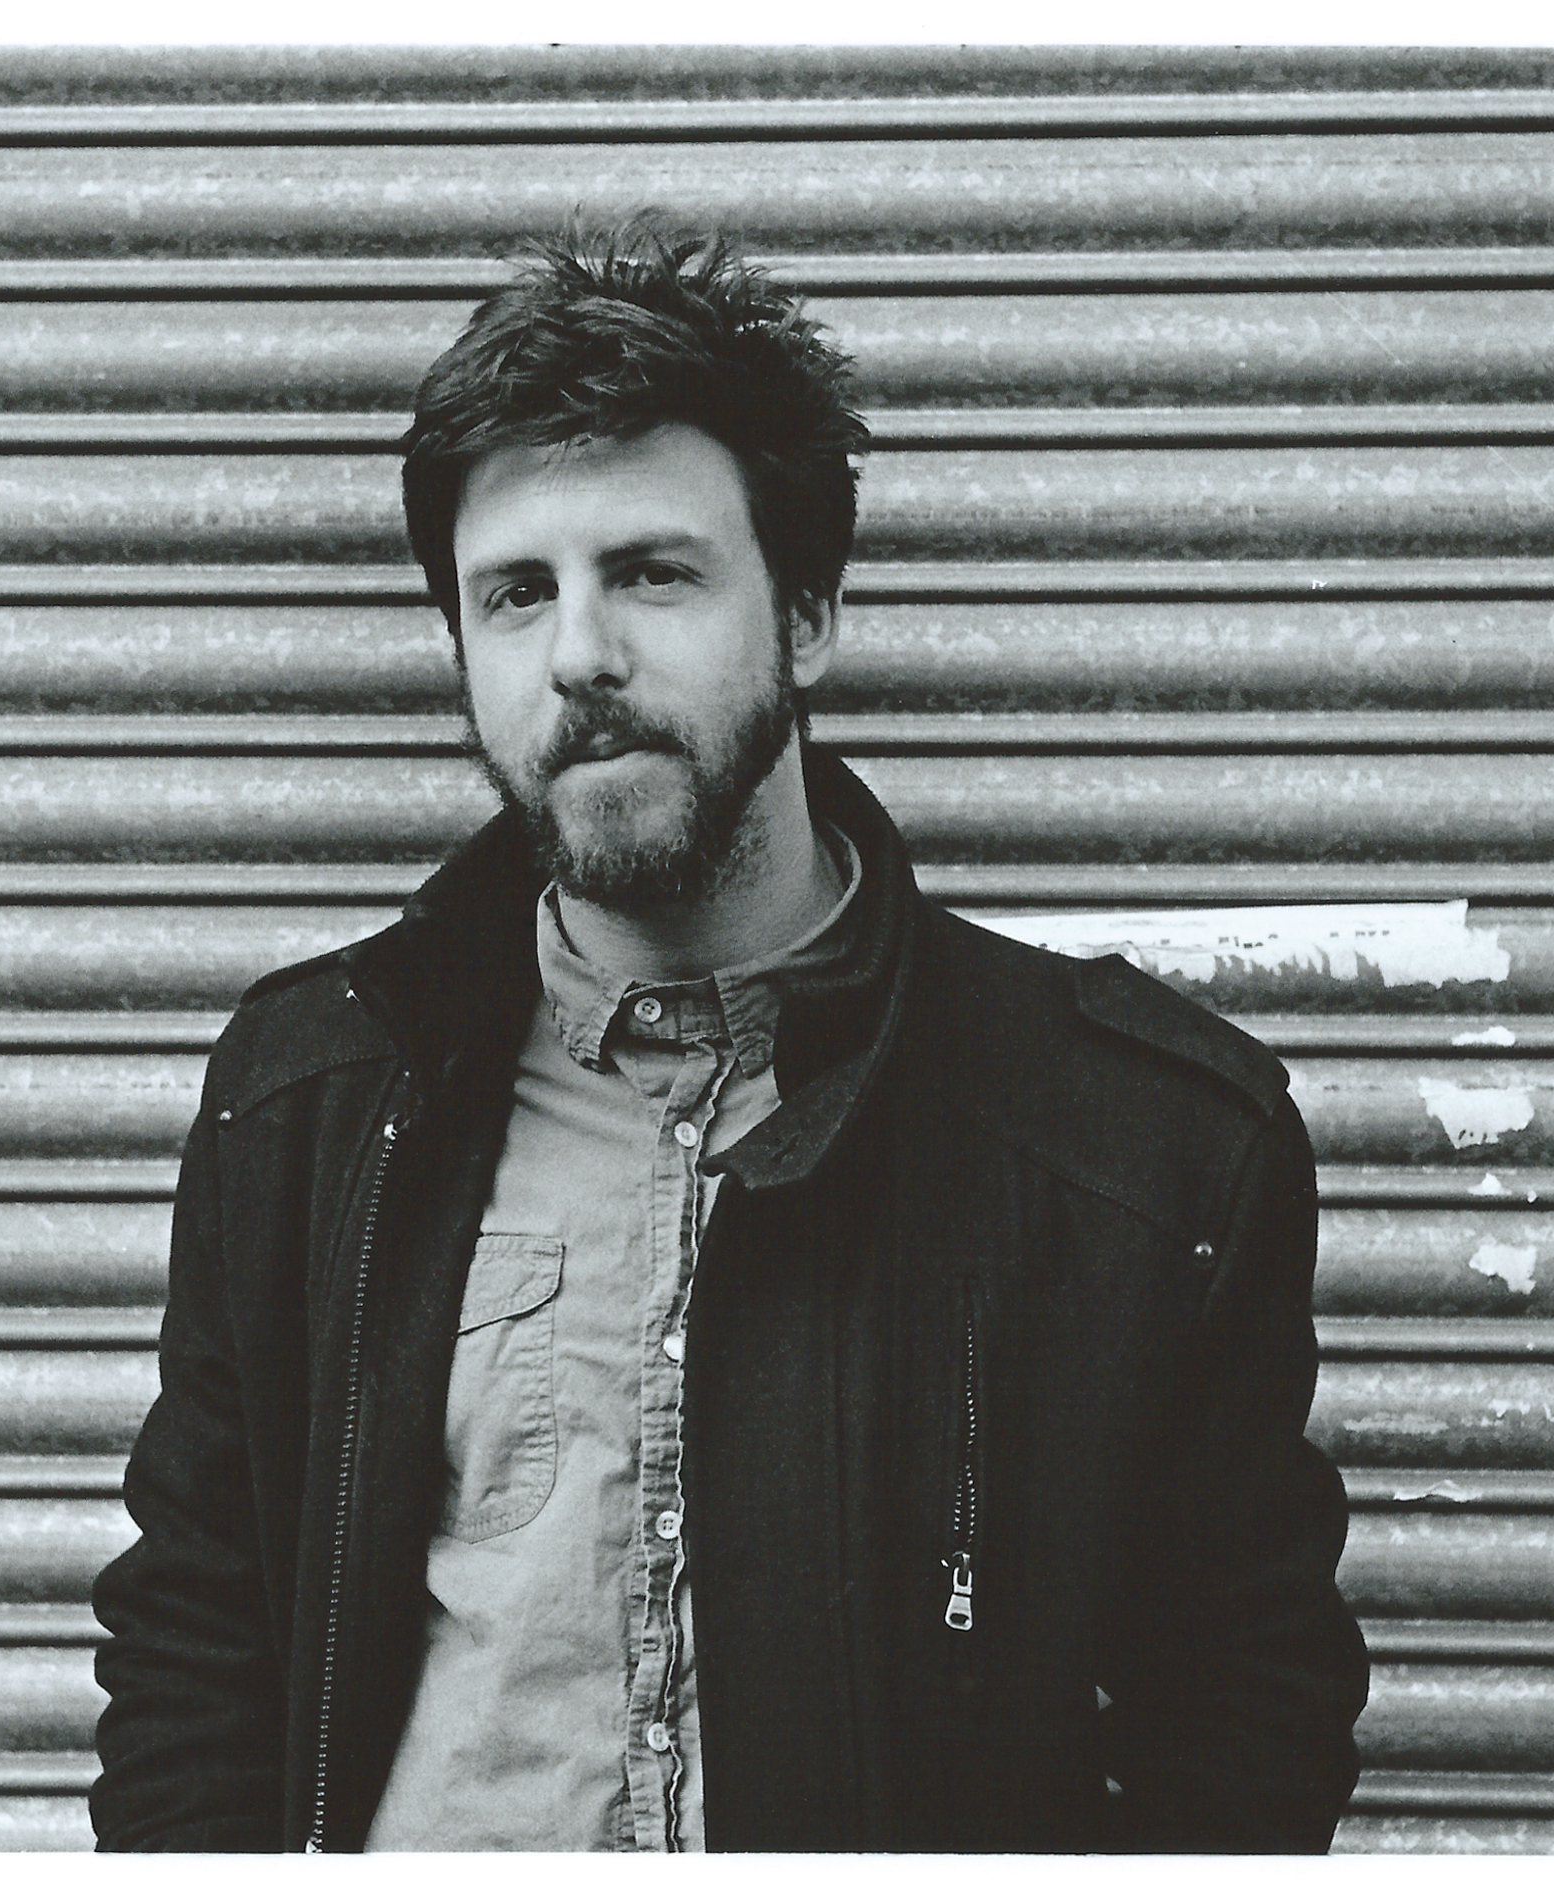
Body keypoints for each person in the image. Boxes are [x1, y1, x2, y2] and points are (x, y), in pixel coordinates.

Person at [88, 223, 1368, 1854]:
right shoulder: (314, 1102)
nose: (580, 655)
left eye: (653, 572)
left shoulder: (1140, 1144)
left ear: (807, 613)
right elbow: (196, 1657)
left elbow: (1242, 1728)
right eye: (515, 595)